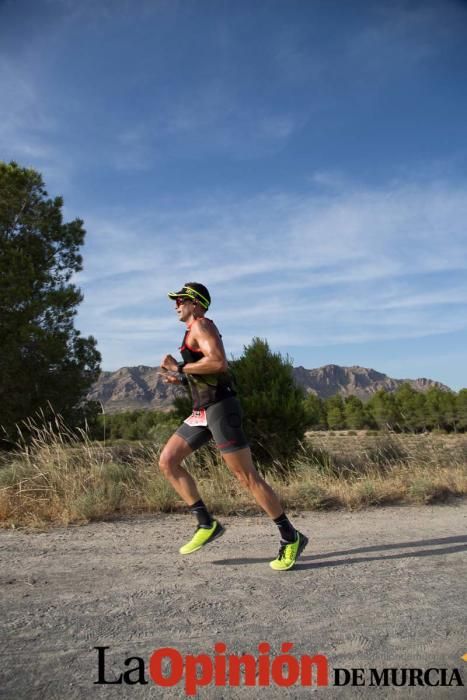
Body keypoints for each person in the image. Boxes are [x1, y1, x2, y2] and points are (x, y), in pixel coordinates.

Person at [159, 282, 308, 571]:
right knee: (168, 461)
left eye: (181, 299)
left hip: (220, 409)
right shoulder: (191, 332)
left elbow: (218, 363)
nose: (176, 304)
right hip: (202, 411)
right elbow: (206, 371)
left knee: (247, 477)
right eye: (175, 300)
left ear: (196, 303)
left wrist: (179, 367)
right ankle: (206, 523)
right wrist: (181, 379)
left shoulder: (202, 325)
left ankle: (291, 537)